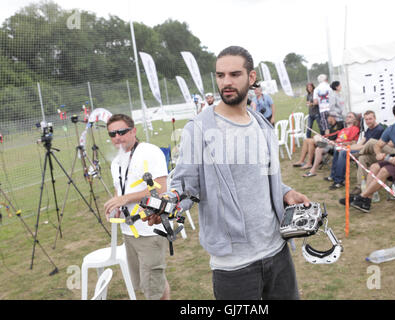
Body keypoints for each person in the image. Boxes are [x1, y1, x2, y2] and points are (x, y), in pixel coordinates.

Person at [159, 45, 310, 300]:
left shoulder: (262, 125)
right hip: (234, 265)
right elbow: (185, 185)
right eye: (220, 75)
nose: (226, 82)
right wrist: (169, 202)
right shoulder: (199, 129)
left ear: (251, 78)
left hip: (278, 252)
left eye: (234, 74)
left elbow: (266, 178)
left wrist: (286, 193)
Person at [103, 114, 171, 300]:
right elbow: (121, 191)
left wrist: (124, 199)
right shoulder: (117, 161)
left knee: (152, 289)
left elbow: (161, 190)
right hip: (129, 230)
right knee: (148, 282)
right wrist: (115, 205)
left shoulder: (150, 152)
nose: (117, 137)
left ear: (133, 131)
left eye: (122, 132)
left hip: (150, 229)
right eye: (112, 134)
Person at [328, 110, 385, 190]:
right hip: (363, 149)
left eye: (370, 119)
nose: (368, 121)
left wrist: (348, 148)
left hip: (370, 153)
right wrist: (347, 147)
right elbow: (361, 143)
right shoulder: (369, 129)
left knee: (343, 153)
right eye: (366, 119)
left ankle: (339, 181)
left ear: (375, 118)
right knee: (339, 150)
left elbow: (365, 147)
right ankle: (333, 176)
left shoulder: (379, 129)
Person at [302, 113, 354, 178]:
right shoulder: (343, 129)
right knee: (318, 148)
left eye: (350, 117)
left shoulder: (350, 127)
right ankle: (313, 171)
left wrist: (335, 142)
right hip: (331, 143)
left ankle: (321, 144)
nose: (347, 118)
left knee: (316, 139)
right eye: (347, 116)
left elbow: (350, 141)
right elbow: (339, 137)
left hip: (337, 145)